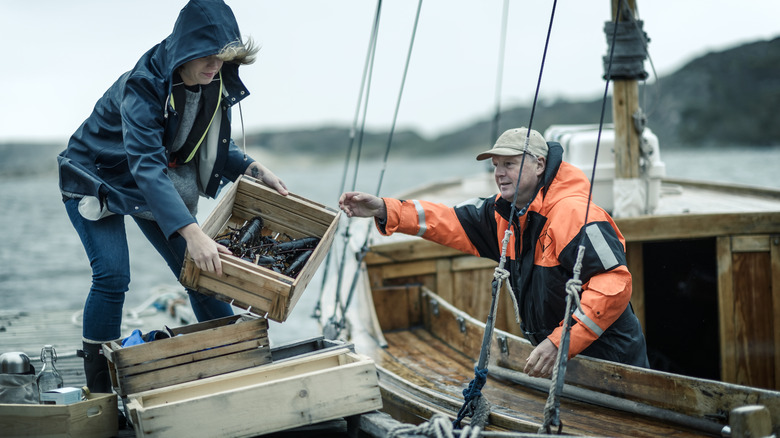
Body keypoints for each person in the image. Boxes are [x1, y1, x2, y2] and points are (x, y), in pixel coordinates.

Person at [57, 0, 288, 395]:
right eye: (209, 56)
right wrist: (194, 233)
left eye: (224, 57)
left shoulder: (210, 80)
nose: (216, 65)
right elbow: (146, 165)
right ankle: (101, 388)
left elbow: (204, 143)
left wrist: (252, 169)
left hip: (148, 181)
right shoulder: (142, 86)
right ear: (185, 48)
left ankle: (232, 360)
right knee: (113, 276)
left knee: (204, 271)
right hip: (94, 176)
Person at [339, 127, 649, 378]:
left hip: (614, 366)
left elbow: (614, 284)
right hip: (562, 363)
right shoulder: (504, 215)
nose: (499, 173)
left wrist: (562, 341)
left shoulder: (574, 214)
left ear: (540, 164)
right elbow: (447, 220)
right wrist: (383, 208)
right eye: (495, 166)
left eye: (509, 164)